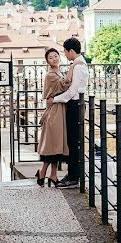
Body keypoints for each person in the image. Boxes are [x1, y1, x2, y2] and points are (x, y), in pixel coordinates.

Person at [46, 37, 87, 188]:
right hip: (75, 104)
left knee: (73, 142)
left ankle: (73, 177)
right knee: (73, 142)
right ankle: (73, 175)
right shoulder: (77, 64)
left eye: (64, 51)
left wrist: (54, 100)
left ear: (70, 51)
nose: (64, 54)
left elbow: (71, 92)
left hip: (75, 105)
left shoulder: (78, 66)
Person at [35, 48, 70, 187]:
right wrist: (73, 68)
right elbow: (64, 84)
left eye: (56, 56)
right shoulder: (51, 75)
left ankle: (51, 174)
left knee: (56, 145)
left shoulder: (57, 72)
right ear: (47, 61)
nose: (54, 59)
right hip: (54, 112)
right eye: (51, 57)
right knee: (53, 145)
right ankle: (45, 173)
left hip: (58, 109)